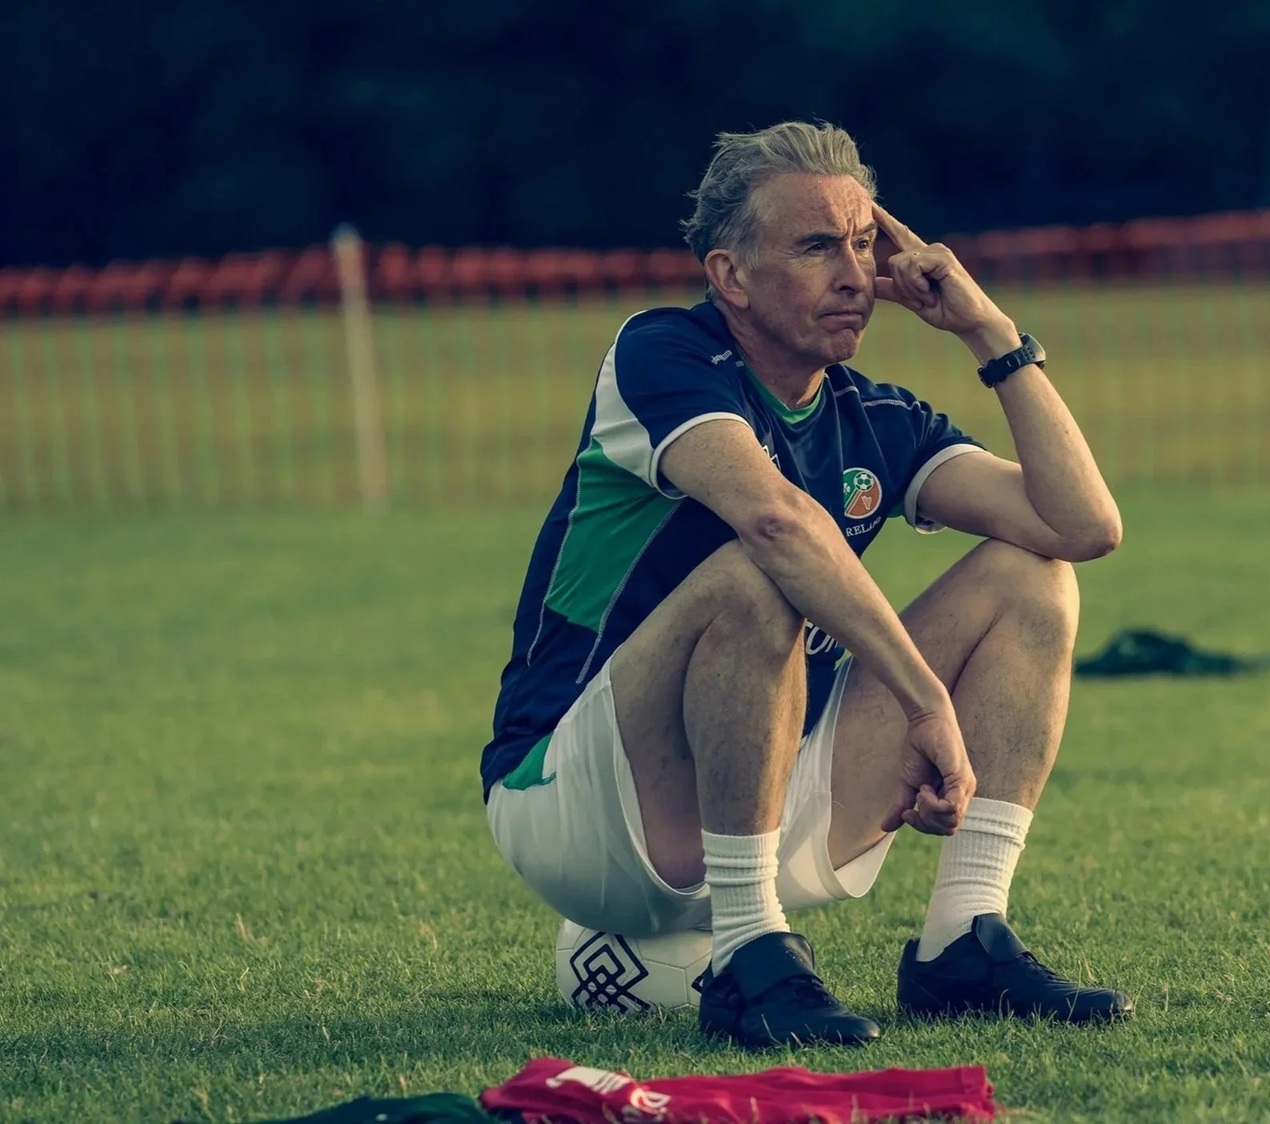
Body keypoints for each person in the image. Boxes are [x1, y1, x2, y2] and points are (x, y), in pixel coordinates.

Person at [479, 121, 1133, 1049]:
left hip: (764, 798)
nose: (856, 274)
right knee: (761, 569)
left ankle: (963, 940)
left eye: (864, 243)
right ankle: (750, 950)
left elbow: (1083, 526)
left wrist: (989, 333)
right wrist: (925, 702)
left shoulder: (874, 416)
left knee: (1032, 576)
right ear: (730, 276)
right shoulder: (661, 353)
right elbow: (777, 524)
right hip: (572, 805)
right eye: (817, 246)